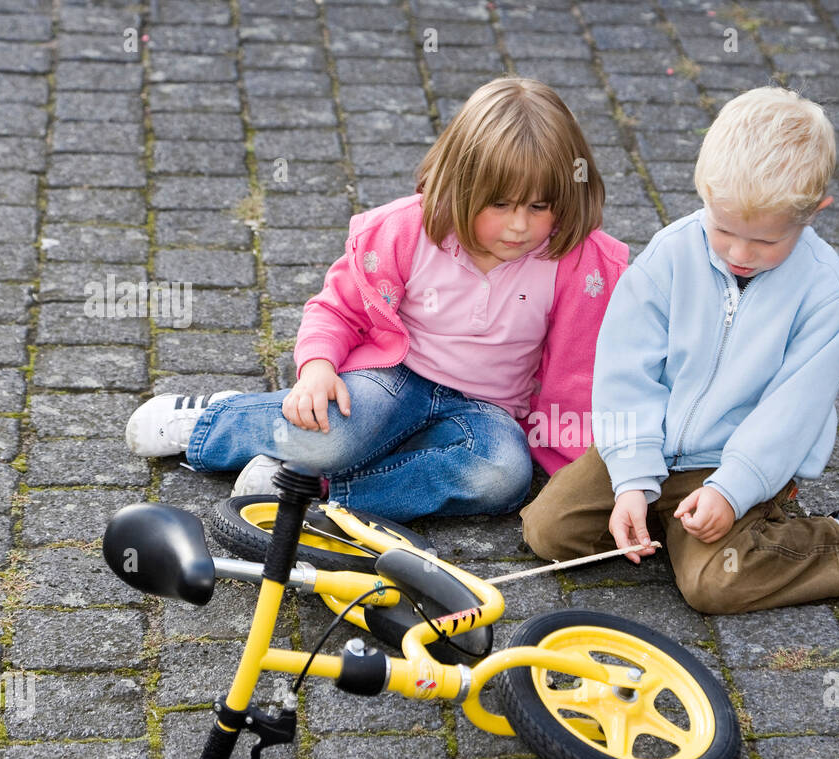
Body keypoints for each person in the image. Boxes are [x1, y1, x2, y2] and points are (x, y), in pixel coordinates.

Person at [125, 77, 628, 523]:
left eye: (539, 206)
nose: (520, 225)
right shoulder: (406, 233)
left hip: (489, 408)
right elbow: (335, 307)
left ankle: (324, 493)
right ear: (458, 186)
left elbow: (580, 372)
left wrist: (579, 474)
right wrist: (317, 368)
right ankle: (212, 423)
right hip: (392, 377)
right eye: (500, 205)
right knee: (331, 436)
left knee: (502, 477)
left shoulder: (575, 262)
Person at [521, 87, 839, 615]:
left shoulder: (831, 295)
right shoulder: (670, 255)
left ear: (813, 213)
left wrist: (732, 491)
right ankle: (679, 528)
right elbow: (628, 373)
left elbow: (791, 414)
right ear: (704, 194)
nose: (740, 253)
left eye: (764, 242)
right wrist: (631, 480)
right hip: (653, 445)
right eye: (724, 230)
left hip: (734, 465)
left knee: (714, 586)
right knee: (548, 529)